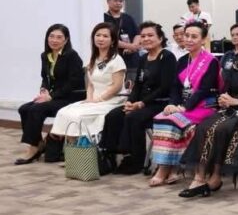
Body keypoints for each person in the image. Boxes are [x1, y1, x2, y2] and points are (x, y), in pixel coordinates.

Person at [179, 29, 238, 198]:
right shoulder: (236, 65)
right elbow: (227, 90)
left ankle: (215, 177)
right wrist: (224, 98)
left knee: (221, 129)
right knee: (204, 127)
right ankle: (200, 176)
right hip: (231, 109)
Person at [148, 22, 221, 187]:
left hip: (203, 106)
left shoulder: (211, 61)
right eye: (186, 35)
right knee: (161, 118)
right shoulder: (182, 60)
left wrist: (184, 107)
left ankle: (165, 169)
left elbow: (203, 90)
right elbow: (175, 86)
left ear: (203, 39)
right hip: (182, 105)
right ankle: (169, 166)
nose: (188, 39)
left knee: (172, 121)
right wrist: (172, 104)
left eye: (194, 36)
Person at [100, 22, 177, 174]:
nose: (146, 38)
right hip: (140, 102)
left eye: (150, 35)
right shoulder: (143, 58)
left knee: (133, 118)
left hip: (159, 103)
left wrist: (141, 103)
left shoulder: (167, 57)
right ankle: (110, 156)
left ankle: (135, 160)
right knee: (113, 115)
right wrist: (130, 101)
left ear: (160, 38)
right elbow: (137, 86)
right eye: (143, 36)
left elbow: (165, 87)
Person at [15, 24, 85, 165]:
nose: (54, 40)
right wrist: (44, 90)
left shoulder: (72, 56)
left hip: (70, 97)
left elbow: (74, 82)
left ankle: (33, 148)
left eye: (59, 37)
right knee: (24, 109)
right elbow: (45, 77)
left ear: (66, 40)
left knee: (36, 109)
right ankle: (39, 143)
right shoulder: (45, 55)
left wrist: (51, 96)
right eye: (51, 36)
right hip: (54, 96)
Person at [49, 23, 126, 141]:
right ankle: (73, 149)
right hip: (93, 100)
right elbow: (90, 84)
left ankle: (83, 149)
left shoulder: (116, 60)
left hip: (112, 100)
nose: (100, 39)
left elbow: (117, 86)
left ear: (113, 41)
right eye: (98, 35)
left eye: (105, 36)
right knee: (63, 112)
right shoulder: (93, 59)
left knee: (76, 116)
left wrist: (99, 99)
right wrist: (89, 99)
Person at [104, 0, 140, 68]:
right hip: (112, 58)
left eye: (121, 1)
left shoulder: (128, 17)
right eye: (115, 0)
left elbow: (137, 34)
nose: (118, 3)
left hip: (132, 59)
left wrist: (134, 46)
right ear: (108, 1)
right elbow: (110, 39)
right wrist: (131, 46)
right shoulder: (103, 18)